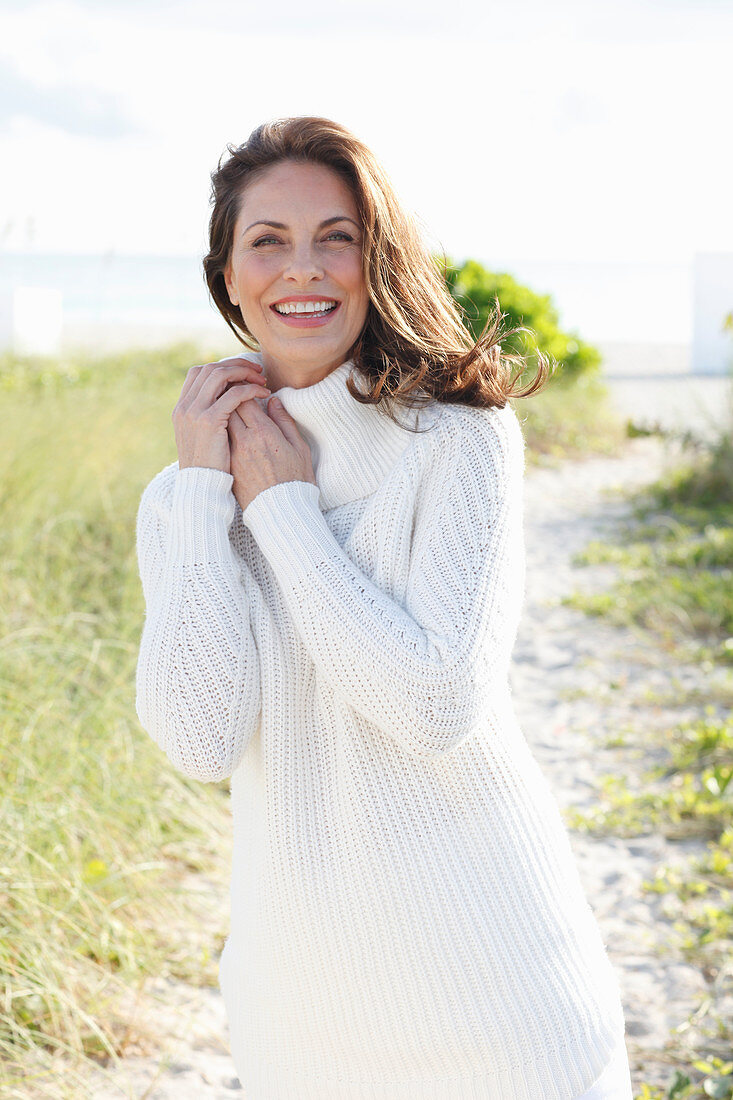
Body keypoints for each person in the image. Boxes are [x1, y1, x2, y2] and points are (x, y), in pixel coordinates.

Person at [134, 116, 634, 1099]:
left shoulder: (456, 441)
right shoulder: (181, 495)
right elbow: (197, 737)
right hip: (301, 1021)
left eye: (337, 236)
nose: (302, 268)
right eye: (266, 241)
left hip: (501, 997)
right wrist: (204, 494)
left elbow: (434, 704)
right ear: (227, 275)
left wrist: (281, 508)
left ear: (377, 259)